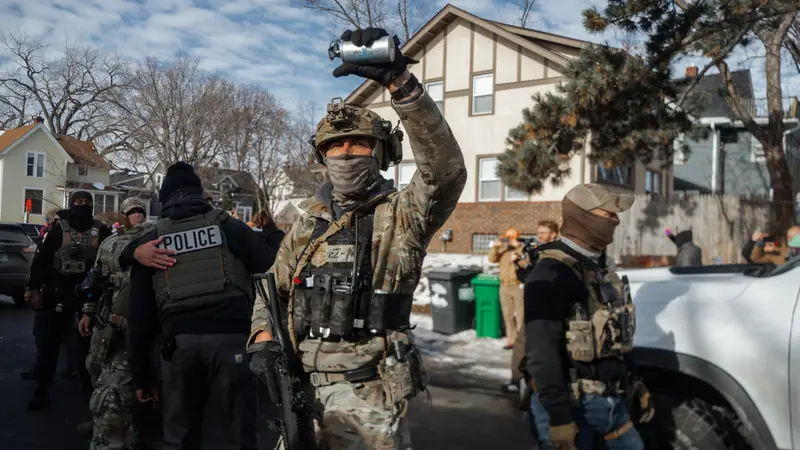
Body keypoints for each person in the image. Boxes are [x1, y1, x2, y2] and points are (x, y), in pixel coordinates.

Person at [248, 26, 465, 449]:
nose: (346, 153)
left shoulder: (401, 216)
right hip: (300, 393)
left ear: (380, 153)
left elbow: (445, 172)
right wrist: (262, 340)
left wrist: (401, 85)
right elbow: (270, 290)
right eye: (336, 145)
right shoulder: (308, 224)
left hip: (368, 398)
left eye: (359, 143)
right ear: (323, 155)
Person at [126, 161, 276, 450]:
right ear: (200, 193)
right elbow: (271, 274)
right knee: (240, 437)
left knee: (179, 439)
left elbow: (139, 317)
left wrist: (141, 377)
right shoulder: (231, 227)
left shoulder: (150, 243)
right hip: (232, 343)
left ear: (164, 199)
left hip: (179, 347)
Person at [524, 183, 654, 450]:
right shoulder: (550, 273)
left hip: (613, 405)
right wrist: (559, 419)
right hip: (572, 406)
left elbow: (614, 338)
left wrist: (635, 382)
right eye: (608, 214)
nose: (616, 220)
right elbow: (542, 353)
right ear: (582, 216)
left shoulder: (598, 269)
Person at [78, 197, 163, 450]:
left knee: (130, 386)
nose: (137, 214)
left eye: (140, 210)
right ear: (124, 216)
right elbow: (96, 281)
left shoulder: (155, 238)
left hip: (143, 327)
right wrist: (87, 312)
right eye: (131, 211)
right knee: (98, 371)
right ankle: (102, 420)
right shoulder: (113, 243)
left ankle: (130, 432)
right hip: (111, 323)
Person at [25, 191, 112, 410]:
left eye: (87, 202)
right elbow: (42, 260)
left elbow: (110, 262)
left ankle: (89, 396)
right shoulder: (58, 229)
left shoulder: (101, 231)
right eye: (78, 202)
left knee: (86, 350)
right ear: (71, 204)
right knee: (48, 347)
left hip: (88, 298)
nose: (83, 205)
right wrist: (34, 288)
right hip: (56, 295)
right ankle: (42, 391)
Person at [509, 220, 559, 394]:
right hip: (536, 308)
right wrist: (518, 264)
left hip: (548, 309)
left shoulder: (556, 255)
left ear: (554, 234)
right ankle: (519, 381)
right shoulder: (539, 254)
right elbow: (528, 278)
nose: (539, 236)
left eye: (543, 233)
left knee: (531, 344)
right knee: (523, 342)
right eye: (538, 233)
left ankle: (535, 384)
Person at [489, 228, 525, 350]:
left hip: (517, 285)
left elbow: (526, 262)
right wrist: (496, 247)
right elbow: (491, 259)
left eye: (512, 238)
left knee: (520, 315)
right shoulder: (503, 249)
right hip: (504, 285)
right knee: (508, 315)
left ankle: (521, 342)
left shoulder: (522, 249)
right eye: (508, 238)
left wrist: (518, 250)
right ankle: (511, 340)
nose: (509, 240)